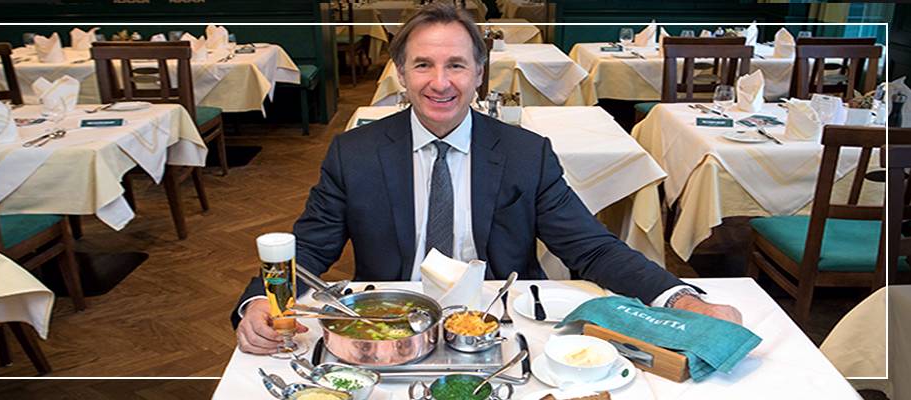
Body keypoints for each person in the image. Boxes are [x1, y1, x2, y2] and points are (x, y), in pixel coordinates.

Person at [233, 3, 742, 355]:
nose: (440, 82)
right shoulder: (354, 153)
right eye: (423, 65)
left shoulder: (525, 154)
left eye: (456, 65)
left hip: (500, 322)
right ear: (401, 75)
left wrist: (679, 298)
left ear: (480, 74)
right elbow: (310, 248)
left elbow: (591, 247)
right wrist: (257, 301)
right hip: (389, 325)